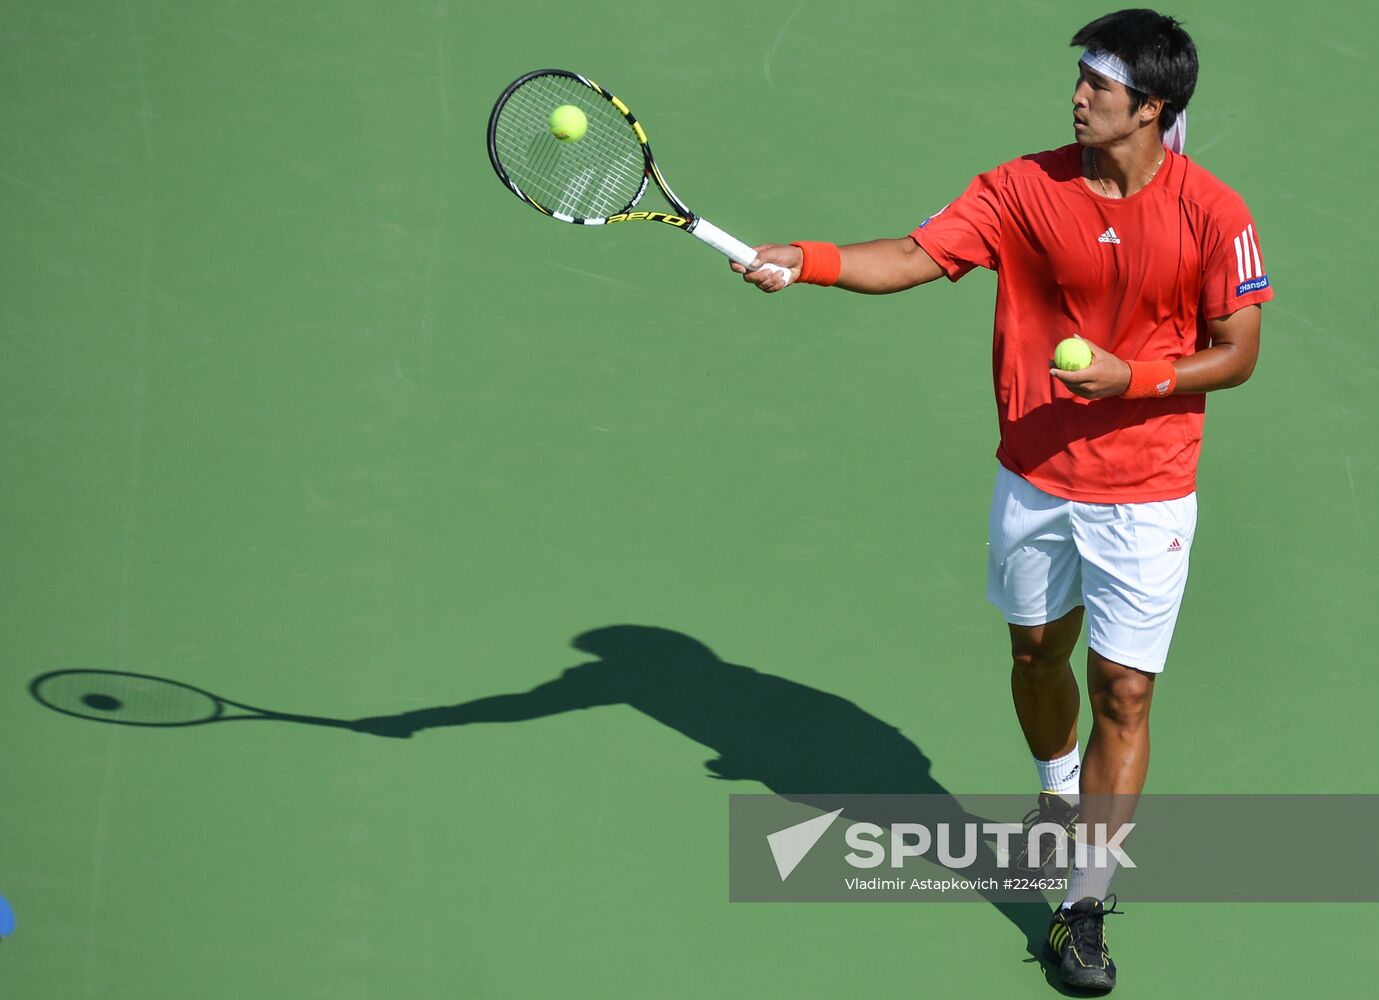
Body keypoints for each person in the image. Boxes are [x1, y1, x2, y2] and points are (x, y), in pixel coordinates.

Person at [732, 8, 1271, 992]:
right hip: (1032, 477)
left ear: (1150, 107)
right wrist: (801, 260)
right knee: (1033, 655)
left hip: (1146, 493)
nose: (1076, 94)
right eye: (1078, 77)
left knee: (1125, 690)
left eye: (1098, 84)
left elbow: (1237, 352)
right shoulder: (1019, 189)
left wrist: (1133, 380)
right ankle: (1056, 791)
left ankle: (1082, 907)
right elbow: (909, 255)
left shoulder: (1214, 214)